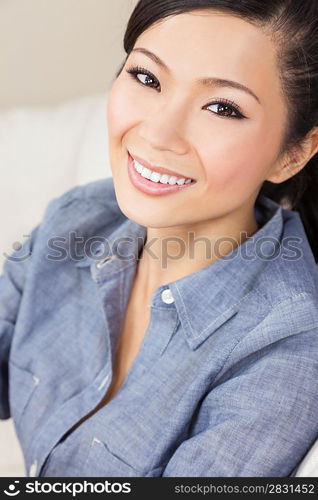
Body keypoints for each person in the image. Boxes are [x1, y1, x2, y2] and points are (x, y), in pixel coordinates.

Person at [1, 0, 318, 478]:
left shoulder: (287, 346)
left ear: (293, 154)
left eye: (222, 107)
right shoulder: (79, 219)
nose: (158, 134)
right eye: (147, 78)